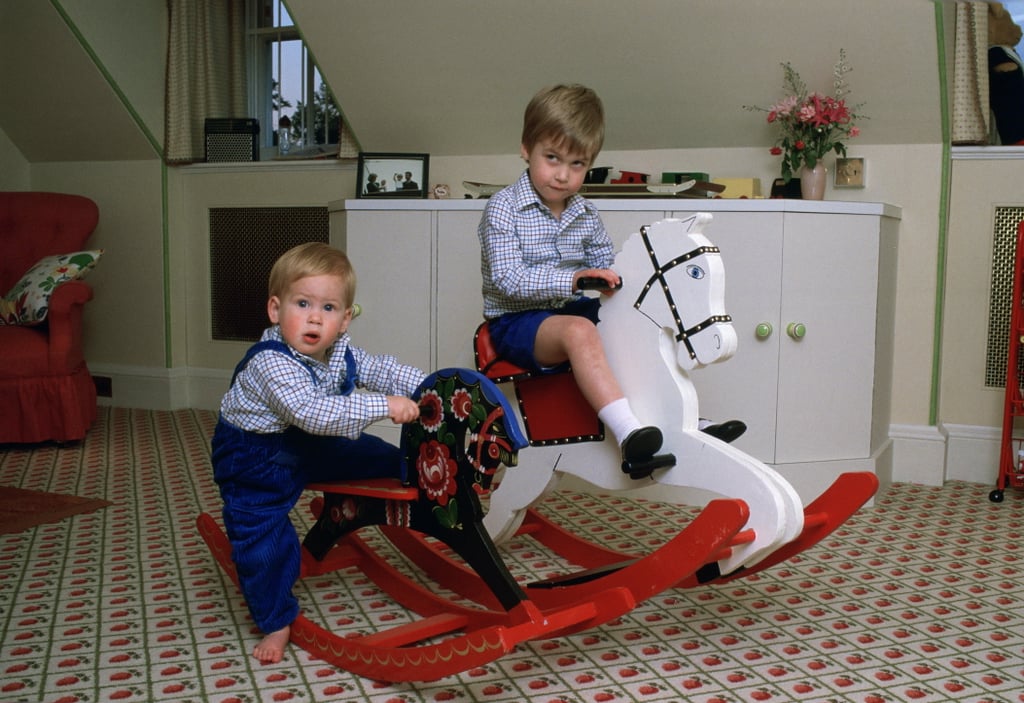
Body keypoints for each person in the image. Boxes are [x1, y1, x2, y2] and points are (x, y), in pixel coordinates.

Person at [478, 84, 745, 480]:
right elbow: (508, 279)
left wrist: (623, 283)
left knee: (637, 320)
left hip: (570, 310)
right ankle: (628, 432)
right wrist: (574, 280)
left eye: (577, 164)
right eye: (552, 159)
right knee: (581, 330)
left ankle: (683, 424)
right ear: (525, 148)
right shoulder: (502, 210)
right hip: (515, 324)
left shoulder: (585, 212)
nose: (563, 175)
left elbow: (604, 264)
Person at [210, 242, 424, 665]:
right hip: (256, 459)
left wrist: (428, 385)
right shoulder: (272, 363)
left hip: (309, 443)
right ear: (275, 310)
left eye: (327, 308)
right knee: (263, 541)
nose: (313, 317)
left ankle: (416, 484)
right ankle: (275, 619)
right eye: (302, 303)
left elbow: (382, 369)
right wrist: (384, 405)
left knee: (380, 456)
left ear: (344, 320)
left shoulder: (339, 351)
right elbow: (313, 413)